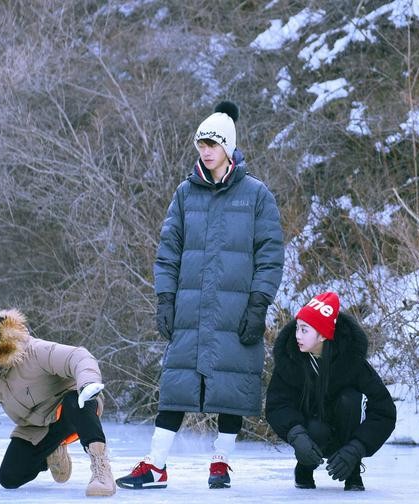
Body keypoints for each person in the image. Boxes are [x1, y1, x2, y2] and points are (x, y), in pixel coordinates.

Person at [116, 101, 284, 490]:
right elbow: (168, 251)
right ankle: (156, 465)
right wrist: (165, 299)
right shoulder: (185, 194)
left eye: (212, 144)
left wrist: (259, 303)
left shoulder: (256, 195)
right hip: (191, 307)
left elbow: (271, 255)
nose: (205, 151)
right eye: (201, 145)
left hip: (235, 307)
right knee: (176, 382)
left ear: (228, 147)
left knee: (231, 381)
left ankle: (221, 463)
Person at [0, 309, 116, 496]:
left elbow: (78, 356)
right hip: (36, 427)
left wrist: (87, 383)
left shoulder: (32, 352)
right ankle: (53, 451)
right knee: (9, 478)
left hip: (69, 410)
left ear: (0, 347)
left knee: (78, 401)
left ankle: (101, 469)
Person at [265, 292, 396, 491]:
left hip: (347, 433)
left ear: (324, 334)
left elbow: (384, 411)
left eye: (304, 330)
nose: (297, 335)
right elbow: (277, 405)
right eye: (297, 328)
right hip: (312, 432)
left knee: (350, 399)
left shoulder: (353, 362)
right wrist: (296, 435)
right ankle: (305, 467)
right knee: (316, 428)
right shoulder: (290, 359)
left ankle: (352, 470)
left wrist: (357, 448)